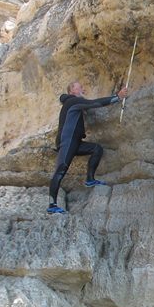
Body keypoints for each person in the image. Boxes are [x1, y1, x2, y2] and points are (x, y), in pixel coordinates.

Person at [48, 81, 128, 214]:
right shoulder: (72, 101)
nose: (82, 89)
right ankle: (52, 205)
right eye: (79, 87)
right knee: (60, 170)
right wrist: (117, 97)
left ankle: (90, 179)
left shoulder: (73, 103)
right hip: (67, 141)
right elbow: (94, 103)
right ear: (72, 91)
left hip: (75, 142)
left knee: (97, 149)